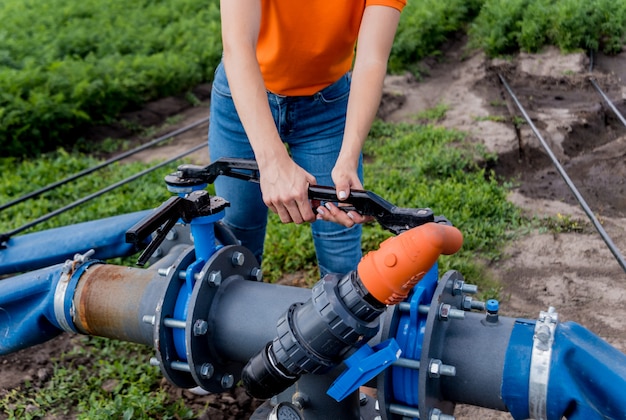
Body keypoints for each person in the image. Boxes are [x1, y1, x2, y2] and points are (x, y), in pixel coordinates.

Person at [209, 0, 406, 277]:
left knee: (339, 245)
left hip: (326, 108)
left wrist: (348, 158)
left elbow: (371, 59)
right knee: (238, 234)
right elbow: (238, 47)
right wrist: (273, 162)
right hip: (243, 100)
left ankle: (346, 320)